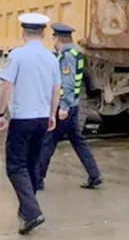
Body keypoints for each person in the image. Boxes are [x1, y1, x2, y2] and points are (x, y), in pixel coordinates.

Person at [0, 13, 61, 235]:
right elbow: (56, 90)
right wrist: (52, 114)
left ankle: (32, 212)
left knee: (15, 166)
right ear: (43, 33)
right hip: (42, 119)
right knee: (32, 164)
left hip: (22, 119)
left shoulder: (18, 56)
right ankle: (26, 210)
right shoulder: (52, 58)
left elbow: (6, 86)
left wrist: (0, 113)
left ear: (23, 33)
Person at [37, 23, 102, 191]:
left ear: (58, 38)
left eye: (54, 38)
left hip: (64, 107)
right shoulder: (75, 52)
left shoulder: (67, 56)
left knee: (48, 142)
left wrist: (63, 107)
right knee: (78, 141)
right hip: (73, 105)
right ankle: (94, 175)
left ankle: (37, 179)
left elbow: (68, 82)